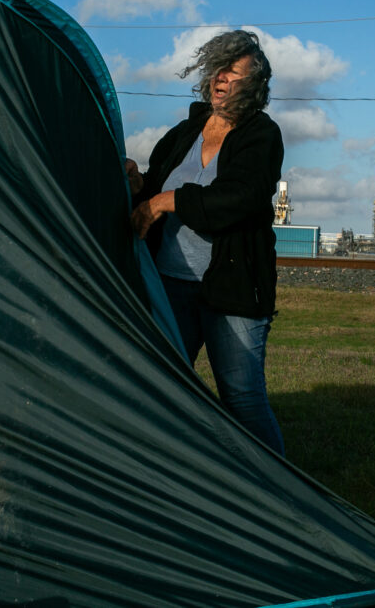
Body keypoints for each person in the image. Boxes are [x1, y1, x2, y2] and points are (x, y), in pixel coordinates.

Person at [129, 30, 285, 456]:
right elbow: (153, 189)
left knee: (242, 398)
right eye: (218, 68)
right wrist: (137, 183)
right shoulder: (186, 131)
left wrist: (167, 200)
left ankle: (278, 495)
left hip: (230, 292)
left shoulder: (261, 135)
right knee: (158, 388)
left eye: (234, 72)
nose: (222, 78)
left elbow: (240, 198)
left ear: (254, 83)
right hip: (170, 286)